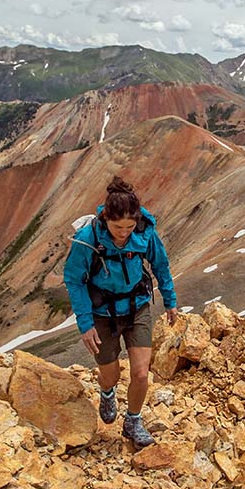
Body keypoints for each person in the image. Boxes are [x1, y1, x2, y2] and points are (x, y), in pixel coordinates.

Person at [63, 176, 177, 448]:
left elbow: (160, 264)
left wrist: (170, 300)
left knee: (140, 373)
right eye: (118, 227)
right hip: (102, 313)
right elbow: (74, 279)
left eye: (129, 226)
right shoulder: (88, 238)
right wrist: (85, 323)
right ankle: (107, 391)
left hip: (137, 307)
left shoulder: (144, 231)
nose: (124, 232)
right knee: (111, 373)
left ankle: (133, 421)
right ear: (105, 219)